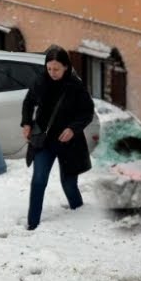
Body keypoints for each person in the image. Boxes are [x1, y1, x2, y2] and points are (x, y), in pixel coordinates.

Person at [21, 45, 95, 231]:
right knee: (39, 180)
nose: (52, 73)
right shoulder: (41, 81)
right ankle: (32, 224)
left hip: (69, 142)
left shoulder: (76, 86)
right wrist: (27, 123)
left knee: (68, 183)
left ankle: (79, 214)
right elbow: (28, 102)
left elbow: (87, 112)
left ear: (66, 67)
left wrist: (72, 129)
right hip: (44, 140)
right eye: (49, 68)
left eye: (56, 69)